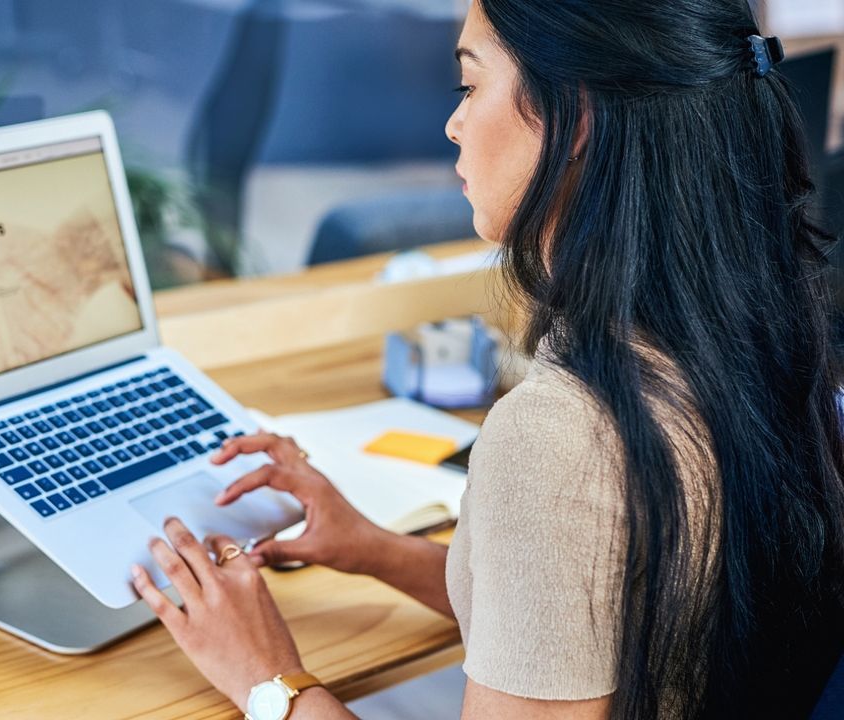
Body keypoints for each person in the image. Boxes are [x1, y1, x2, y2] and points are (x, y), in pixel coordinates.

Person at [130, 0, 844, 718]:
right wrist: (372, 547)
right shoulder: (756, 335)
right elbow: (583, 617)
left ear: (577, 114)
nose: (453, 123)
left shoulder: (563, 436)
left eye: (470, 87)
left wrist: (266, 677)